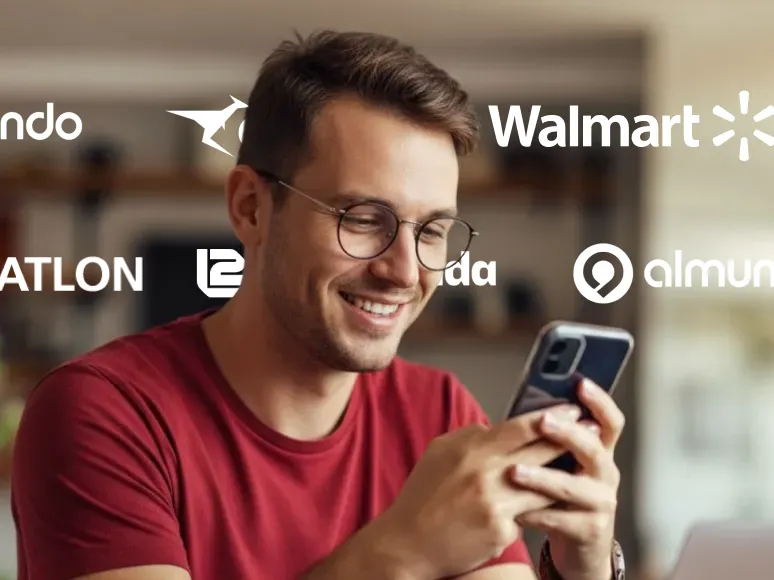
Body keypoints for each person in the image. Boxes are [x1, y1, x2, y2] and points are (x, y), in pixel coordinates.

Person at [11, 30, 627, 580]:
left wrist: (584, 566)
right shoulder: (103, 414)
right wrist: (401, 556)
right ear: (251, 207)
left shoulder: (437, 413)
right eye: (363, 219)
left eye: (432, 231)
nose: (405, 271)